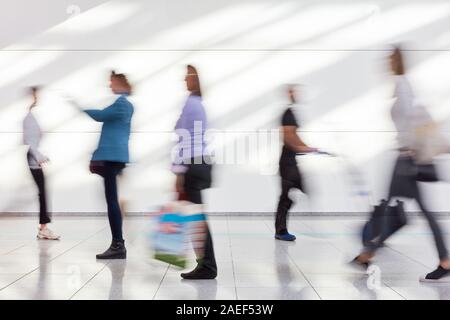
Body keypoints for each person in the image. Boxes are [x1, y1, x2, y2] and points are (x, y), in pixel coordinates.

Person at [352, 47, 450, 282]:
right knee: (404, 208)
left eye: (390, 59)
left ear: (397, 61)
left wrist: (413, 151)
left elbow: (412, 120)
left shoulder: (402, 85)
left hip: (406, 158)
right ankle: (368, 254)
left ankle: (368, 254)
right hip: (407, 156)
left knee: (388, 207)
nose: (387, 63)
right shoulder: (402, 85)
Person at [69, 71, 134, 259]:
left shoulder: (122, 104)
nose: (109, 85)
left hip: (112, 158)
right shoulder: (125, 104)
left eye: (112, 82)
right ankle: (118, 242)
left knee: (112, 201)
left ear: (120, 83)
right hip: (116, 157)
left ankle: (118, 244)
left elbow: (100, 115)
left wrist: (80, 108)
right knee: (113, 200)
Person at [172, 65, 217, 279]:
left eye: (187, 76)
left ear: (194, 79)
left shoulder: (190, 102)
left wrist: (179, 170)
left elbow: (184, 137)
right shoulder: (200, 104)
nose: (184, 80)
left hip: (191, 163)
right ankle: (205, 264)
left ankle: (207, 266)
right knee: (196, 217)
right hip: (202, 163)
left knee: (195, 218)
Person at [275, 85, 319, 241]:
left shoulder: (291, 113)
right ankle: (280, 231)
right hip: (287, 163)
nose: (296, 93)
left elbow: (294, 136)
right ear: (288, 94)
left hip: (291, 162)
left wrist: (308, 147)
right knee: (286, 197)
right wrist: (302, 148)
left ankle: (281, 229)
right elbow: (287, 137)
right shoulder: (287, 114)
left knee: (297, 191)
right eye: (293, 91)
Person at [23, 86, 60, 240]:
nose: (37, 98)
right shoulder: (29, 119)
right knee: (42, 193)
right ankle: (43, 229)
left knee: (42, 193)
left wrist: (41, 156)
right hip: (33, 158)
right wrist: (39, 157)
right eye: (34, 96)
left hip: (34, 157)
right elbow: (29, 143)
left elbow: (31, 141)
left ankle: (43, 227)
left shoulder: (31, 117)